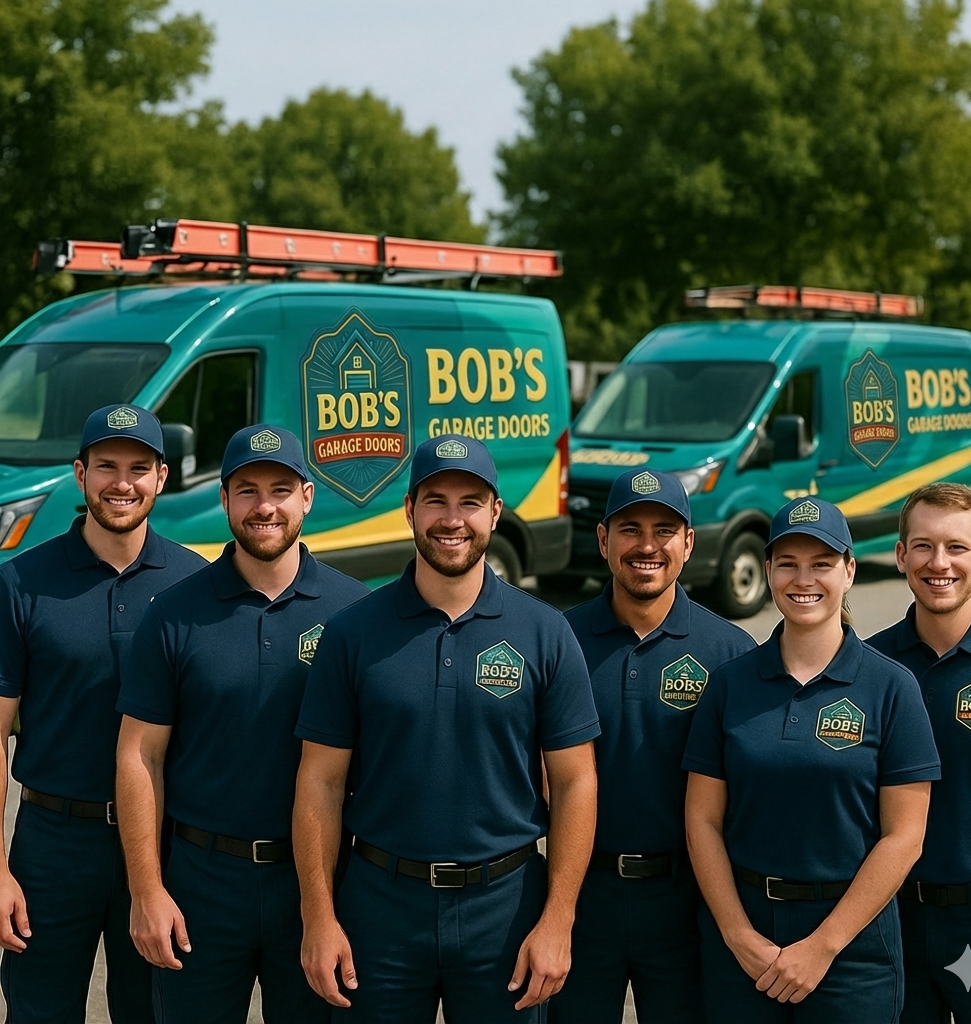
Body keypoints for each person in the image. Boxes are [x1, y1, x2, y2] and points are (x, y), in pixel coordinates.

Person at [292, 434, 600, 1023]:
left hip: (505, 907)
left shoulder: (545, 632)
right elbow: (320, 783)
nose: (452, 520)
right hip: (380, 906)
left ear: (495, 513)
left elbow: (576, 781)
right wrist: (320, 917)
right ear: (409, 509)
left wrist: (559, 919)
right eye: (435, 501)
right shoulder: (353, 632)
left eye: (470, 502)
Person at [115, 424, 369, 1024]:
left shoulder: (356, 613)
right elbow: (138, 756)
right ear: (224, 500)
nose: (264, 506)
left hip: (318, 884)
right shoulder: (175, 612)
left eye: (280, 489)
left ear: (307, 497)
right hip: (202, 882)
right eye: (246, 490)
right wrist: (147, 890)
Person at [683, 496, 941, 1023]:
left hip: (852, 947)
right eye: (788, 564)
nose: (805, 579)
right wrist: (737, 934)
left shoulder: (892, 687)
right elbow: (703, 819)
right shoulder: (731, 683)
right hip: (745, 937)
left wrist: (823, 946)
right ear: (770, 571)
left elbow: (905, 837)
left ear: (849, 571)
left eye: (822, 563)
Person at [0, 404, 206, 1023]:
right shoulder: (20, 583)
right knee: (40, 1012)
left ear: (161, 477)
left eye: (138, 468)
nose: (123, 482)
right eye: (107, 467)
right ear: (80, 473)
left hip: (163, 846)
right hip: (53, 841)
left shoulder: (195, 584)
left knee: (151, 1013)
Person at [550, 469, 755, 1024]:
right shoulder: (557, 641)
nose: (646, 546)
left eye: (664, 530)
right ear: (602, 540)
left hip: (687, 900)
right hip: (580, 894)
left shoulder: (733, 652)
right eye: (629, 529)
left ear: (689, 543)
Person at [866, 483, 971, 1022]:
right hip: (889, 922)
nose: (940, 563)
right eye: (924, 546)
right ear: (900, 554)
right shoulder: (866, 666)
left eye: (956, 547)